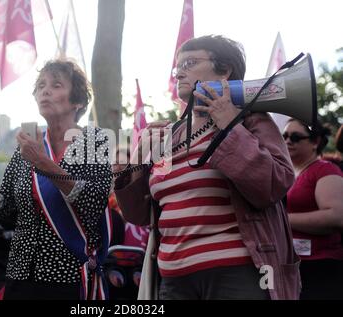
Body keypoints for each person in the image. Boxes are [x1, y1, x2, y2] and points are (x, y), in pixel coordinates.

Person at [114, 35, 300, 300]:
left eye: (190, 63)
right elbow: (138, 215)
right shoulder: (170, 136)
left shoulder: (251, 120)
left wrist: (229, 125)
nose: (179, 73)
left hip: (239, 273)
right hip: (174, 278)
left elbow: (273, 184)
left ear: (224, 71)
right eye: (178, 67)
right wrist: (137, 160)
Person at [0, 59, 112, 300]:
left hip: (68, 275)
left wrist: (42, 162)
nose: (45, 91)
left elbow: (94, 202)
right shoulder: (26, 146)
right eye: (40, 86)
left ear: (77, 101)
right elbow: (4, 212)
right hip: (20, 273)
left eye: (56, 85)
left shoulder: (94, 140)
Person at [283, 119, 343, 299]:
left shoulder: (325, 170)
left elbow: (336, 216)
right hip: (292, 267)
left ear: (315, 142)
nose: (288, 141)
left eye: (295, 137)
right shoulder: (285, 172)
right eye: (284, 136)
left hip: (321, 267)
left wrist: (283, 220)